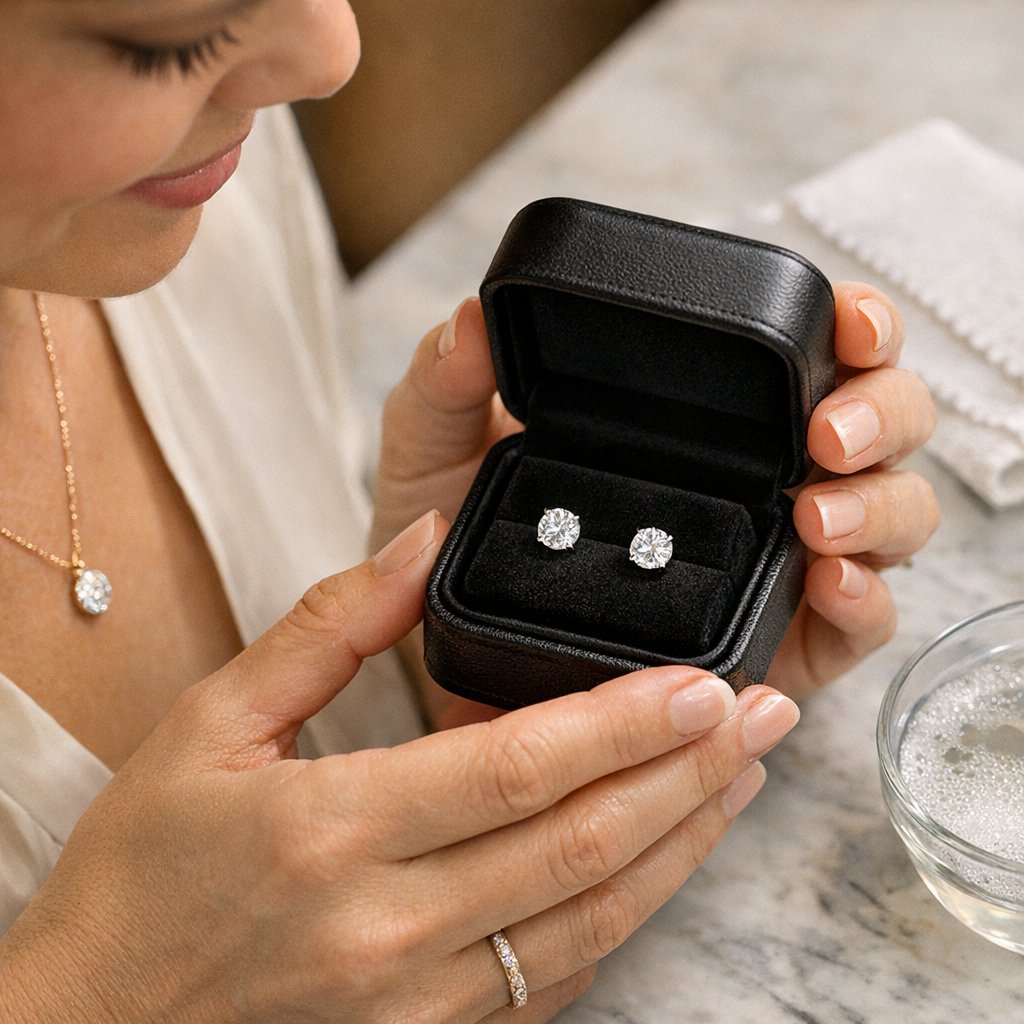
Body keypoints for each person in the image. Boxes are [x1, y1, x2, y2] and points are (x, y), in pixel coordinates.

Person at [0, 1, 938, 1021]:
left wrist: (497, 677)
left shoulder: (189, 186)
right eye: (164, 40)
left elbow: (302, 817)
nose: (330, 55)